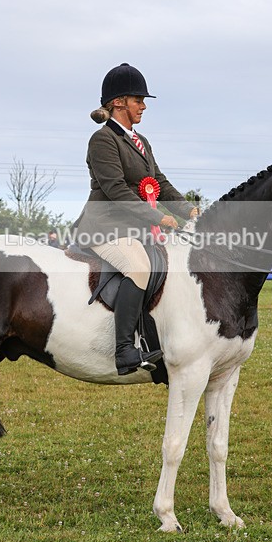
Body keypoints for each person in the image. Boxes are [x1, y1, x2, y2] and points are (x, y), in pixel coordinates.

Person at [74, 63, 198, 376]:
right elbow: (115, 189)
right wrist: (158, 216)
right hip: (104, 228)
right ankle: (125, 349)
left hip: (136, 228)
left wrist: (187, 210)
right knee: (139, 266)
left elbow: (159, 181)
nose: (143, 106)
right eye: (137, 100)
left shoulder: (141, 140)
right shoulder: (102, 141)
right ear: (119, 103)